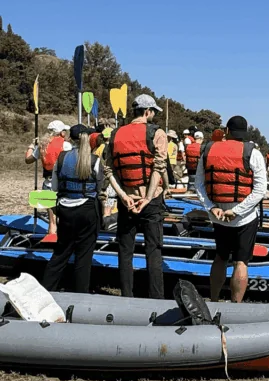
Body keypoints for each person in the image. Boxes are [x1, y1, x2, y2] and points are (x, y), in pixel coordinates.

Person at [195, 115, 267, 303]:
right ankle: (236, 307)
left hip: (218, 216)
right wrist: (237, 211)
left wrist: (211, 207)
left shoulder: (208, 149)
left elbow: (199, 185)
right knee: (240, 262)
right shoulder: (253, 153)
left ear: (227, 131)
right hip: (244, 218)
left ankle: (214, 300)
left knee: (220, 258)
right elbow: (260, 190)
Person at [103, 94, 168, 299]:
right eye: (153, 112)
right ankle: (156, 299)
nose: (153, 115)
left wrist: (123, 195)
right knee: (153, 251)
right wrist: (147, 198)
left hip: (127, 202)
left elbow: (108, 170)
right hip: (151, 201)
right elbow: (159, 168)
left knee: (125, 251)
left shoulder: (115, 134)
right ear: (147, 112)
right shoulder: (157, 133)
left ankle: (126, 296)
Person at [42, 124, 103, 293]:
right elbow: (99, 189)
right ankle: (81, 294)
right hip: (87, 211)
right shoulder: (95, 160)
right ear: (88, 139)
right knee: (84, 257)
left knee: (60, 253)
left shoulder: (61, 159)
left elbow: (54, 187)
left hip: (66, 210)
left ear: (70, 138)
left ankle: (46, 289)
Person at [25, 120, 71, 235]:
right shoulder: (66, 145)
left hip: (48, 184)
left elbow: (28, 160)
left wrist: (32, 146)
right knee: (66, 218)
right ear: (61, 132)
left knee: (52, 222)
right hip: (63, 184)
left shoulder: (42, 145)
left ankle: (52, 240)